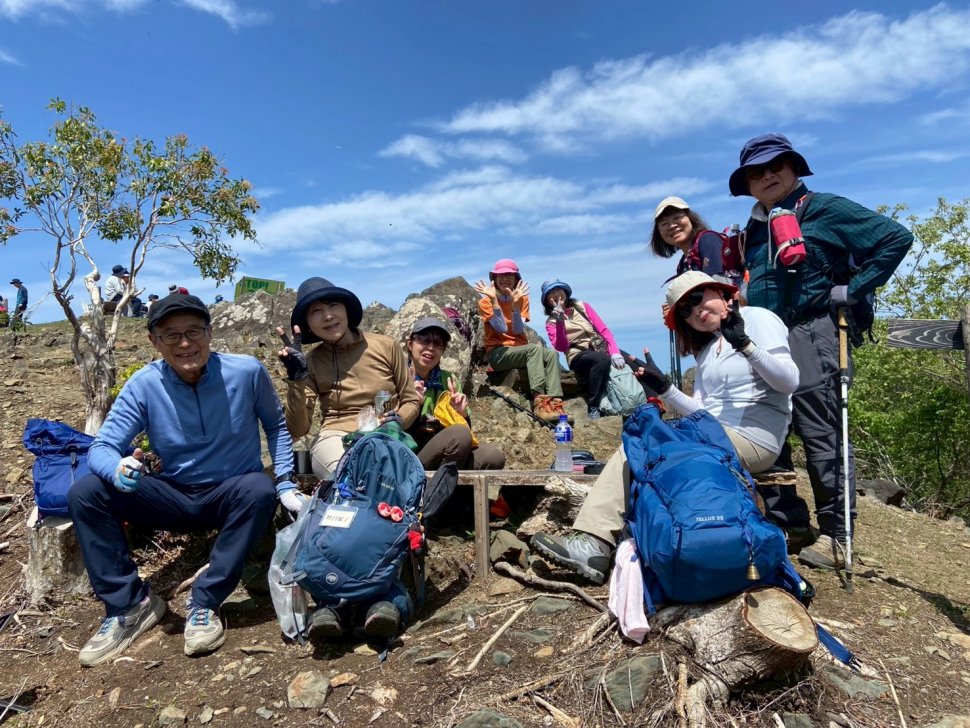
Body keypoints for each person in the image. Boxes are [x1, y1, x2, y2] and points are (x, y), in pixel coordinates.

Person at [67, 294, 299, 666]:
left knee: (261, 487)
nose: (185, 343)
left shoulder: (246, 372)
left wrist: (285, 481)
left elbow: (276, 426)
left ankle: (205, 601)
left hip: (233, 492)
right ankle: (130, 606)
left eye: (194, 331)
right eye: (171, 335)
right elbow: (103, 447)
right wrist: (117, 469)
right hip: (174, 494)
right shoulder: (144, 385)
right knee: (87, 491)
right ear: (154, 342)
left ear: (209, 333)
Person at [532, 271, 798, 585]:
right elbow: (703, 412)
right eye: (685, 311)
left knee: (648, 447)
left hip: (754, 438)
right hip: (715, 434)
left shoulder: (756, 319)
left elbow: (790, 381)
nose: (695, 311)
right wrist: (665, 388)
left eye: (698, 298)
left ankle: (595, 541)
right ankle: (604, 541)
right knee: (642, 441)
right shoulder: (710, 349)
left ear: (722, 292)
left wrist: (746, 345)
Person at [728, 132, 912, 570]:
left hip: (813, 329)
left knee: (821, 430)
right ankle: (787, 520)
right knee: (769, 424)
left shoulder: (823, 208)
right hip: (767, 337)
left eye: (776, 166)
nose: (767, 175)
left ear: (794, 169)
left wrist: (853, 290)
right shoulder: (754, 228)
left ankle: (836, 537)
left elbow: (895, 238)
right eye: (757, 172)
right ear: (747, 184)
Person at [278, 276, 422, 639]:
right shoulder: (310, 361)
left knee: (376, 483)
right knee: (359, 487)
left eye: (333, 307)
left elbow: (411, 397)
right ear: (307, 323)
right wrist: (296, 379)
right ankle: (385, 597)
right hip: (336, 438)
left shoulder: (385, 346)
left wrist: (399, 419)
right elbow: (298, 428)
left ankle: (335, 602)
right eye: (316, 312)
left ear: (347, 310)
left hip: (385, 436)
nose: (328, 317)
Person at [405, 316, 507, 512]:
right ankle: (427, 505)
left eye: (438, 343)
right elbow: (387, 424)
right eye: (424, 340)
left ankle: (450, 502)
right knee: (459, 434)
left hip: (445, 452)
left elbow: (466, 432)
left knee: (493, 456)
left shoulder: (448, 380)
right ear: (410, 344)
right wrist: (411, 403)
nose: (431, 348)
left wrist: (463, 414)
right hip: (410, 454)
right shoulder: (398, 376)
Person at [475, 259, 566, 422]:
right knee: (534, 349)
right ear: (494, 279)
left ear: (516, 279)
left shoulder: (522, 299)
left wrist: (515, 306)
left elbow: (517, 329)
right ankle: (540, 402)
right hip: (498, 353)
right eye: (501, 275)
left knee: (551, 354)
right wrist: (495, 302)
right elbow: (501, 328)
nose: (505, 278)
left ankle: (555, 402)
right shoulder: (485, 301)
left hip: (519, 350)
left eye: (510, 275)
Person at [541, 280, 625, 420]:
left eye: (558, 289)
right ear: (547, 301)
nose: (556, 294)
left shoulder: (582, 306)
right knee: (602, 360)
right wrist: (560, 322)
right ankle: (593, 407)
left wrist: (615, 352)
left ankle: (653, 404)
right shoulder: (551, 322)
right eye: (551, 292)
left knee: (633, 363)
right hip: (578, 355)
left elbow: (603, 330)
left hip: (599, 347)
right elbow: (561, 347)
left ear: (565, 292)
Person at [650, 197, 743, 288]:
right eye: (664, 224)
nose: (672, 226)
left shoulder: (707, 239)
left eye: (677, 217)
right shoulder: (683, 264)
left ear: (690, 218)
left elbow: (717, 285)